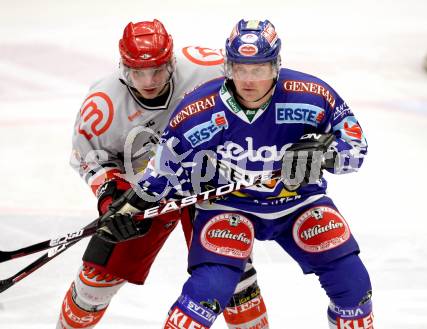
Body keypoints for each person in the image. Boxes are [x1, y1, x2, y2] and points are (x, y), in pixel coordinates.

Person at [99, 18, 374, 328]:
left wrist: (326, 154)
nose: (247, 80)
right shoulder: (197, 110)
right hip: (229, 206)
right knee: (207, 292)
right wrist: (129, 206)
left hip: (299, 203)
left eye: (257, 69)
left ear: (275, 66)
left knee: (354, 286)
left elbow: (357, 148)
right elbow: (163, 171)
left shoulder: (312, 95)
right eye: (240, 68)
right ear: (228, 67)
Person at [57, 19, 270, 329]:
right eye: (138, 71)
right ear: (122, 66)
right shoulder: (103, 103)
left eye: (157, 69)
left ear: (172, 60)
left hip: (207, 185)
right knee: (94, 283)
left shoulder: (207, 68)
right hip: (143, 193)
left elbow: (260, 87)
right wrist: (111, 196)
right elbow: (90, 158)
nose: (148, 80)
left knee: (236, 283)